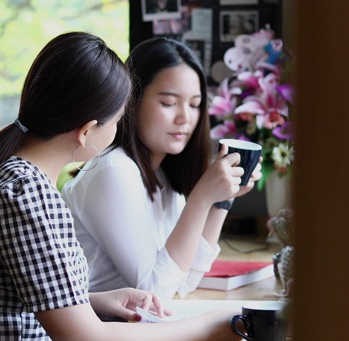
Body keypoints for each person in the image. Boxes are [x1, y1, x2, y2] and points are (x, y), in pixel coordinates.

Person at [0, 32, 243, 341]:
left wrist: (94, 300)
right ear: (86, 131)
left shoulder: (15, 176)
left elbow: (13, 300)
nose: (119, 131)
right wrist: (205, 328)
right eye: (117, 121)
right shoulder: (26, 194)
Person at [61, 37, 262, 300]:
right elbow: (154, 292)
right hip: (95, 334)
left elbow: (185, 280)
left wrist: (221, 201)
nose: (185, 118)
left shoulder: (162, 177)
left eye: (195, 104)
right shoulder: (113, 170)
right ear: (131, 100)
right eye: (168, 103)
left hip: (127, 330)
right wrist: (200, 199)